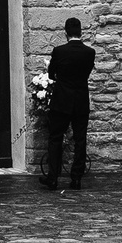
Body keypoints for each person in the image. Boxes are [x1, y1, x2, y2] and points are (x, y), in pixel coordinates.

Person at [40, 16, 95, 190]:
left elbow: (51, 75)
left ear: (66, 33)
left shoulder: (59, 51)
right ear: (80, 32)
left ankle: (53, 177)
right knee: (80, 139)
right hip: (80, 100)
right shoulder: (89, 52)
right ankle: (76, 177)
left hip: (62, 100)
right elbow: (86, 74)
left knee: (55, 137)